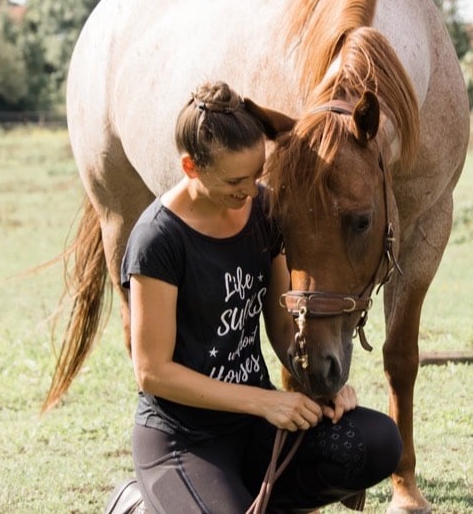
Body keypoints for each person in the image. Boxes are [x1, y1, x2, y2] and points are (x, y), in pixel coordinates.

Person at [115, 81, 402, 513]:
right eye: (234, 181)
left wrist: (324, 386)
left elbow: (283, 325)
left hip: (253, 428)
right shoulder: (158, 239)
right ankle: (137, 504)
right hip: (183, 439)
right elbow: (152, 372)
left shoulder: (261, 212)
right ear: (191, 167)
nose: (250, 192)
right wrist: (266, 401)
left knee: (377, 442)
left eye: (255, 176)